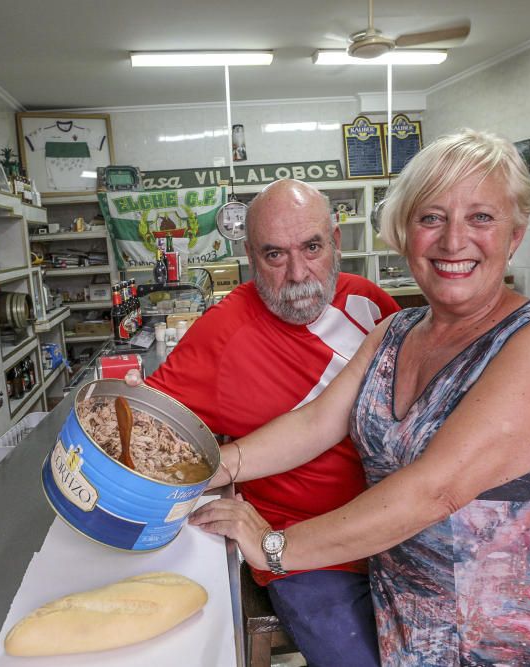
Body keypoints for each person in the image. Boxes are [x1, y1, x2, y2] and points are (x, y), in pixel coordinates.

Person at [190, 130, 530, 665]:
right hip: (409, 627)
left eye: (481, 217)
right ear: (405, 232)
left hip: (514, 640)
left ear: (515, 235)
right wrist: (206, 469)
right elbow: (315, 422)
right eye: (431, 218)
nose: (453, 242)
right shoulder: (395, 331)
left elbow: (434, 491)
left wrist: (275, 547)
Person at [140, 178, 400, 666]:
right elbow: (147, 425)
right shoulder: (222, 334)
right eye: (275, 255)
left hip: (395, 526)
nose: (299, 273)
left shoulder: (369, 305)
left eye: (313, 247)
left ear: (337, 242)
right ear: (249, 256)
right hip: (302, 552)